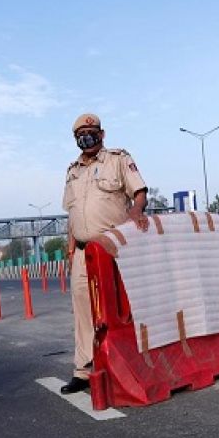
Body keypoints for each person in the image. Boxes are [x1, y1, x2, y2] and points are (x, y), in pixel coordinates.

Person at [60, 113, 149, 394]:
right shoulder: (73, 171)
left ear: (102, 134)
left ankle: (129, 366)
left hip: (113, 248)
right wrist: (71, 248)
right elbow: (73, 213)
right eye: (80, 134)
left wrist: (137, 210)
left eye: (91, 132)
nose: (86, 137)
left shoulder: (118, 160)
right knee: (83, 312)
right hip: (82, 252)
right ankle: (84, 371)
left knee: (120, 309)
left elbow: (139, 192)